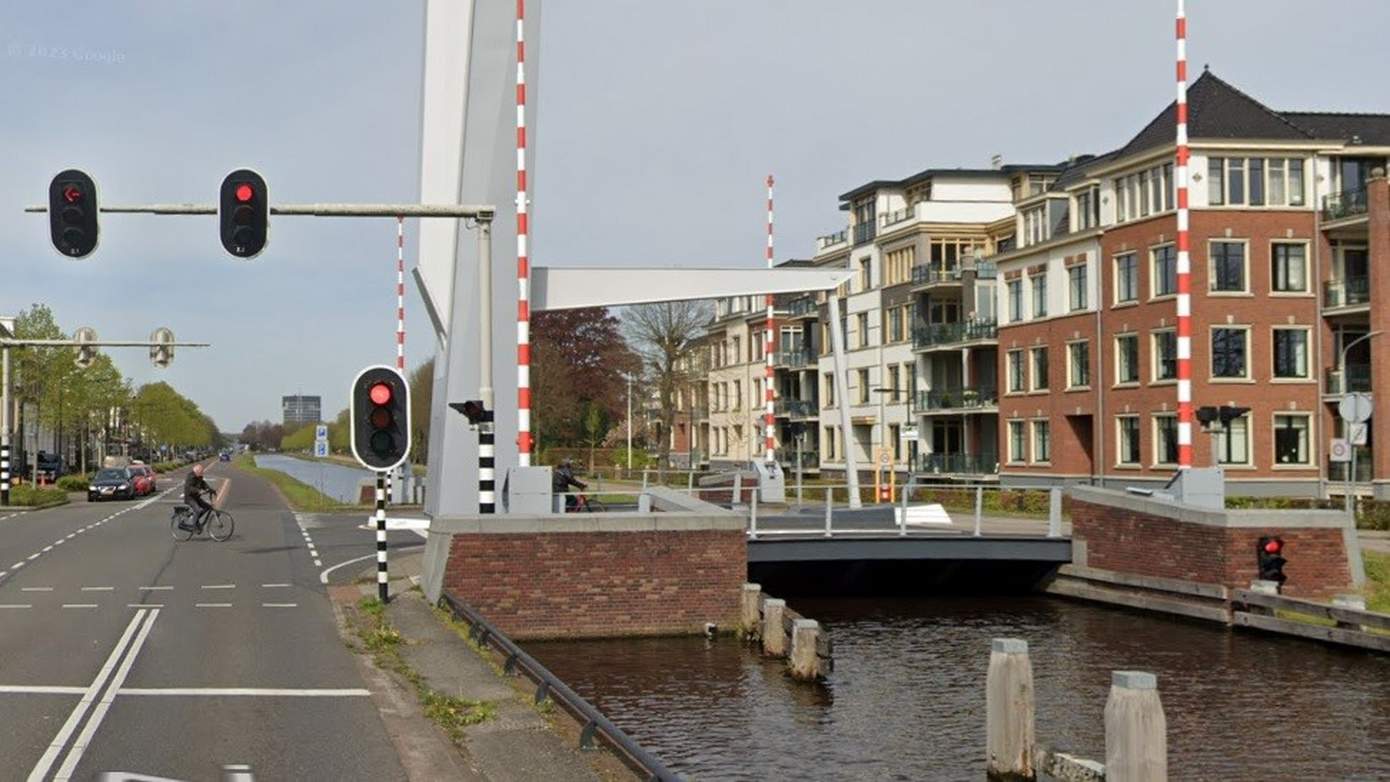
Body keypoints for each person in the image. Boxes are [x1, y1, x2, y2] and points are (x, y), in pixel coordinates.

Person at [181, 463, 216, 530]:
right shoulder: (190, 477)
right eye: (201, 471)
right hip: (189, 498)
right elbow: (189, 488)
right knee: (198, 510)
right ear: (196, 471)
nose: (202, 473)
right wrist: (198, 491)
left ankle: (196, 520)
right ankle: (194, 525)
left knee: (208, 507)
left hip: (196, 497)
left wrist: (210, 489)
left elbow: (203, 483)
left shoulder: (199, 477)